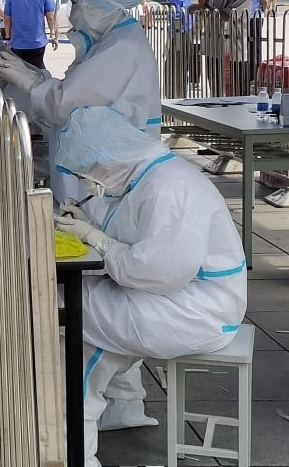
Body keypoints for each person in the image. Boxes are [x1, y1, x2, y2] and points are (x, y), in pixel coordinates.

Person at [53, 106, 246, 467]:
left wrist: (98, 239)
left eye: (88, 171)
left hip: (197, 310)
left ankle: (73, 443)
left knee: (72, 308)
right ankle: (103, 413)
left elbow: (159, 270)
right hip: (183, 299)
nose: (88, 181)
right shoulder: (148, 175)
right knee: (87, 316)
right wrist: (92, 224)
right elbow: (138, 237)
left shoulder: (168, 188)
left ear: (106, 159)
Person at [0, 0, 161, 215]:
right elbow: (77, 90)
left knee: (94, 231)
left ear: (102, 3)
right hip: (104, 164)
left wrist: (31, 83)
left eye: (77, 2)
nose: (72, 11)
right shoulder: (112, 39)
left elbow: (66, 104)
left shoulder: (122, 47)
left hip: (110, 170)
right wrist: (36, 77)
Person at [190, 0, 252, 96]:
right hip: (212, 47)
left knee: (233, 93)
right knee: (216, 92)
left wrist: (207, 8)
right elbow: (208, 7)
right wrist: (199, 7)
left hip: (231, 48)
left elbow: (228, 15)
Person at [2, 0, 58, 69]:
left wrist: (8, 38)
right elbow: (50, 17)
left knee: (20, 72)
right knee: (37, 70)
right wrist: (54, 35)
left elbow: (7, 19)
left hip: (17, 43)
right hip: (37, 42)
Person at [163, 0, 194, 98]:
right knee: (183, 69)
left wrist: (168, 42)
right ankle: (182, 96)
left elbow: (174, 21)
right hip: (189, 36)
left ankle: (172, 99)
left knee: (171, 70)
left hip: (178, 37)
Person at [241, 0, 268, 84]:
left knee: (254, 47)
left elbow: (263, 0)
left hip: (255, 17)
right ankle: (249, 73)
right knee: (248, 45)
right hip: (247, 16)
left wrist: (262, 12)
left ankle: (254, 75)